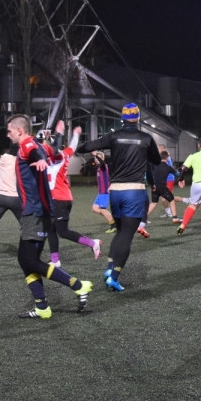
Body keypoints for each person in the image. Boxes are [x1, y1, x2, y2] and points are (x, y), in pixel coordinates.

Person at [6, 114, 93, 318]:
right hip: (42, 211)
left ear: (20, 130)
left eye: (9, 131)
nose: (7, 134)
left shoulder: (27, 145)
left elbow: (35, 152)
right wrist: (59, 134)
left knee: (30, 261)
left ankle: (78, 285)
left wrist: (40, 160)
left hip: (35, 212)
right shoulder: (40, 145)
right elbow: (53, 149)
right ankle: (42, 307)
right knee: (26, 260)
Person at [75, 103, 161, 291]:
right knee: (126, 235)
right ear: (138, 118)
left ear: (122, 118)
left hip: (115, 191)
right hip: (134, 191)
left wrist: (74, 143)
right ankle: (113, 276)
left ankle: (109, 267)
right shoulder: (146, 138)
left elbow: (86, 146)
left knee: (120, 231)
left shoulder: (113, 137)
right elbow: (156, 160)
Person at [45, 123, 102, 265]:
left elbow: (55, 149)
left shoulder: (56, 156)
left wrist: (58, 133)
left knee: (62, 231)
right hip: (58, 198)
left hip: (59, 198)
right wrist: (76, 134)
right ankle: (55, 260)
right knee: (50, 228)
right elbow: (72, 147)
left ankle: (92, 243)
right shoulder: (62, 154)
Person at [88, 151, 118, 234]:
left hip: (104, 192)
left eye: (98, 158)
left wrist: (96, 155)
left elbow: (102, 163)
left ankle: (114, 225)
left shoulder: (104, 166)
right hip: (100, 193)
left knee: (102, 209)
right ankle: (113, 219)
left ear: (102, 158)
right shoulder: (99, 168)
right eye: (95, 158)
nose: (96, 159)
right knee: (95, 208)